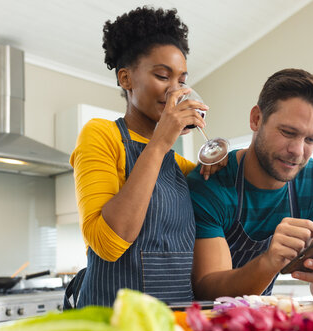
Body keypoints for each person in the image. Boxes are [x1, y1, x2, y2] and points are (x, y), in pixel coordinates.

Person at [64, 6, 225, 309]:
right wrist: (161, 141)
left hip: (175, 327)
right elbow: (109, 243)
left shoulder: (181, 166)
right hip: (112, 328)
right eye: (163, 76)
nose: (175, 90)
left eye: (181, 80)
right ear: (126, 79)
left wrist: (217, 165)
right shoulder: (101, 135)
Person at [186, 68, 313, 300]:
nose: (297, 151)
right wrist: (269, 261)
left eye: (311, 139)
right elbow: (208, 289)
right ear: (256, 119)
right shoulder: (211, 183)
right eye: (287, 132)